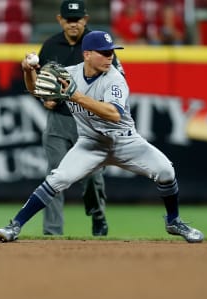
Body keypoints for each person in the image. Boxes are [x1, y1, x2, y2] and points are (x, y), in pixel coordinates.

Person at [0, 30, 204, 244]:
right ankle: (15, 225)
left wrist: (76, 96)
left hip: (125, 142)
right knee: (58, 179)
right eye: (103, 52)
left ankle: (173, 221)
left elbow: (113, 114)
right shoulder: (69, 75)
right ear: (87, 54)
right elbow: (39, 91)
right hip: (90, 144)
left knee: (166, 171)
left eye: (111, 51)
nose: (109, 56)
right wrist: (28, 71)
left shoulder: (114, 79)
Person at [31, 0, 124, 236]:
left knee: (93, 177)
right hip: (59, 120)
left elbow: (117, 77)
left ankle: (98, 216)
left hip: (90, 121)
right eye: (69, 19)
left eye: (78, 19)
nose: (74, 24)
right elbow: (42, 84)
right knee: (55, 176)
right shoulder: (51, 45)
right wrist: (45, 99)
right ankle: (52, 232)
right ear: (60, 20)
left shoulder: (99, 43)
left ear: (86, 19)